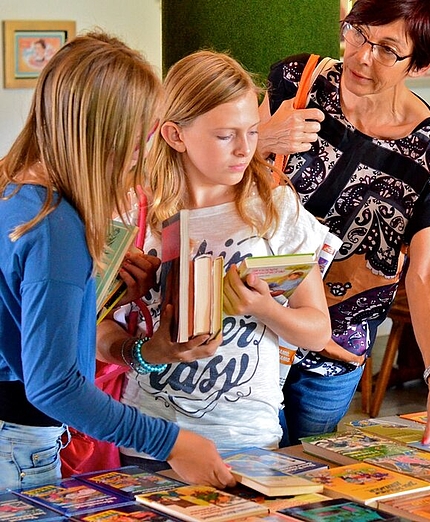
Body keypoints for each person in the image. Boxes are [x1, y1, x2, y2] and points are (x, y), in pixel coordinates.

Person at [0, 32, 234, 490]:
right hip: (17, 441)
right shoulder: (53, 225)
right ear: (104, 133)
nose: (138, 154)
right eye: (137, 136)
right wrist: (173, 443)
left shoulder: (12, 192)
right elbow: (55, 385)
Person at [259, 0, 430, 446]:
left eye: (388, 49)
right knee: (242, 476)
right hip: (254, 330)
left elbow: (427, 271)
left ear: (420, 64)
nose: (362, 56)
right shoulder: (297, 83)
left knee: (306, 480)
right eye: (358, 33)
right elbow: (224, 180)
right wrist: (263, 139)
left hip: (336, 350)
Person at [97, 50, 332, 465]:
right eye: (226, 136)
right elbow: (95, 337)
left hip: (247, 440)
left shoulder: (273, 208)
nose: (245, 150)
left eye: (254, 132)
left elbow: (316, 331)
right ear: (175, 135)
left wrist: (263, 308)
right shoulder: (134, 212)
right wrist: (141, 336)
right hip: (146, 437)